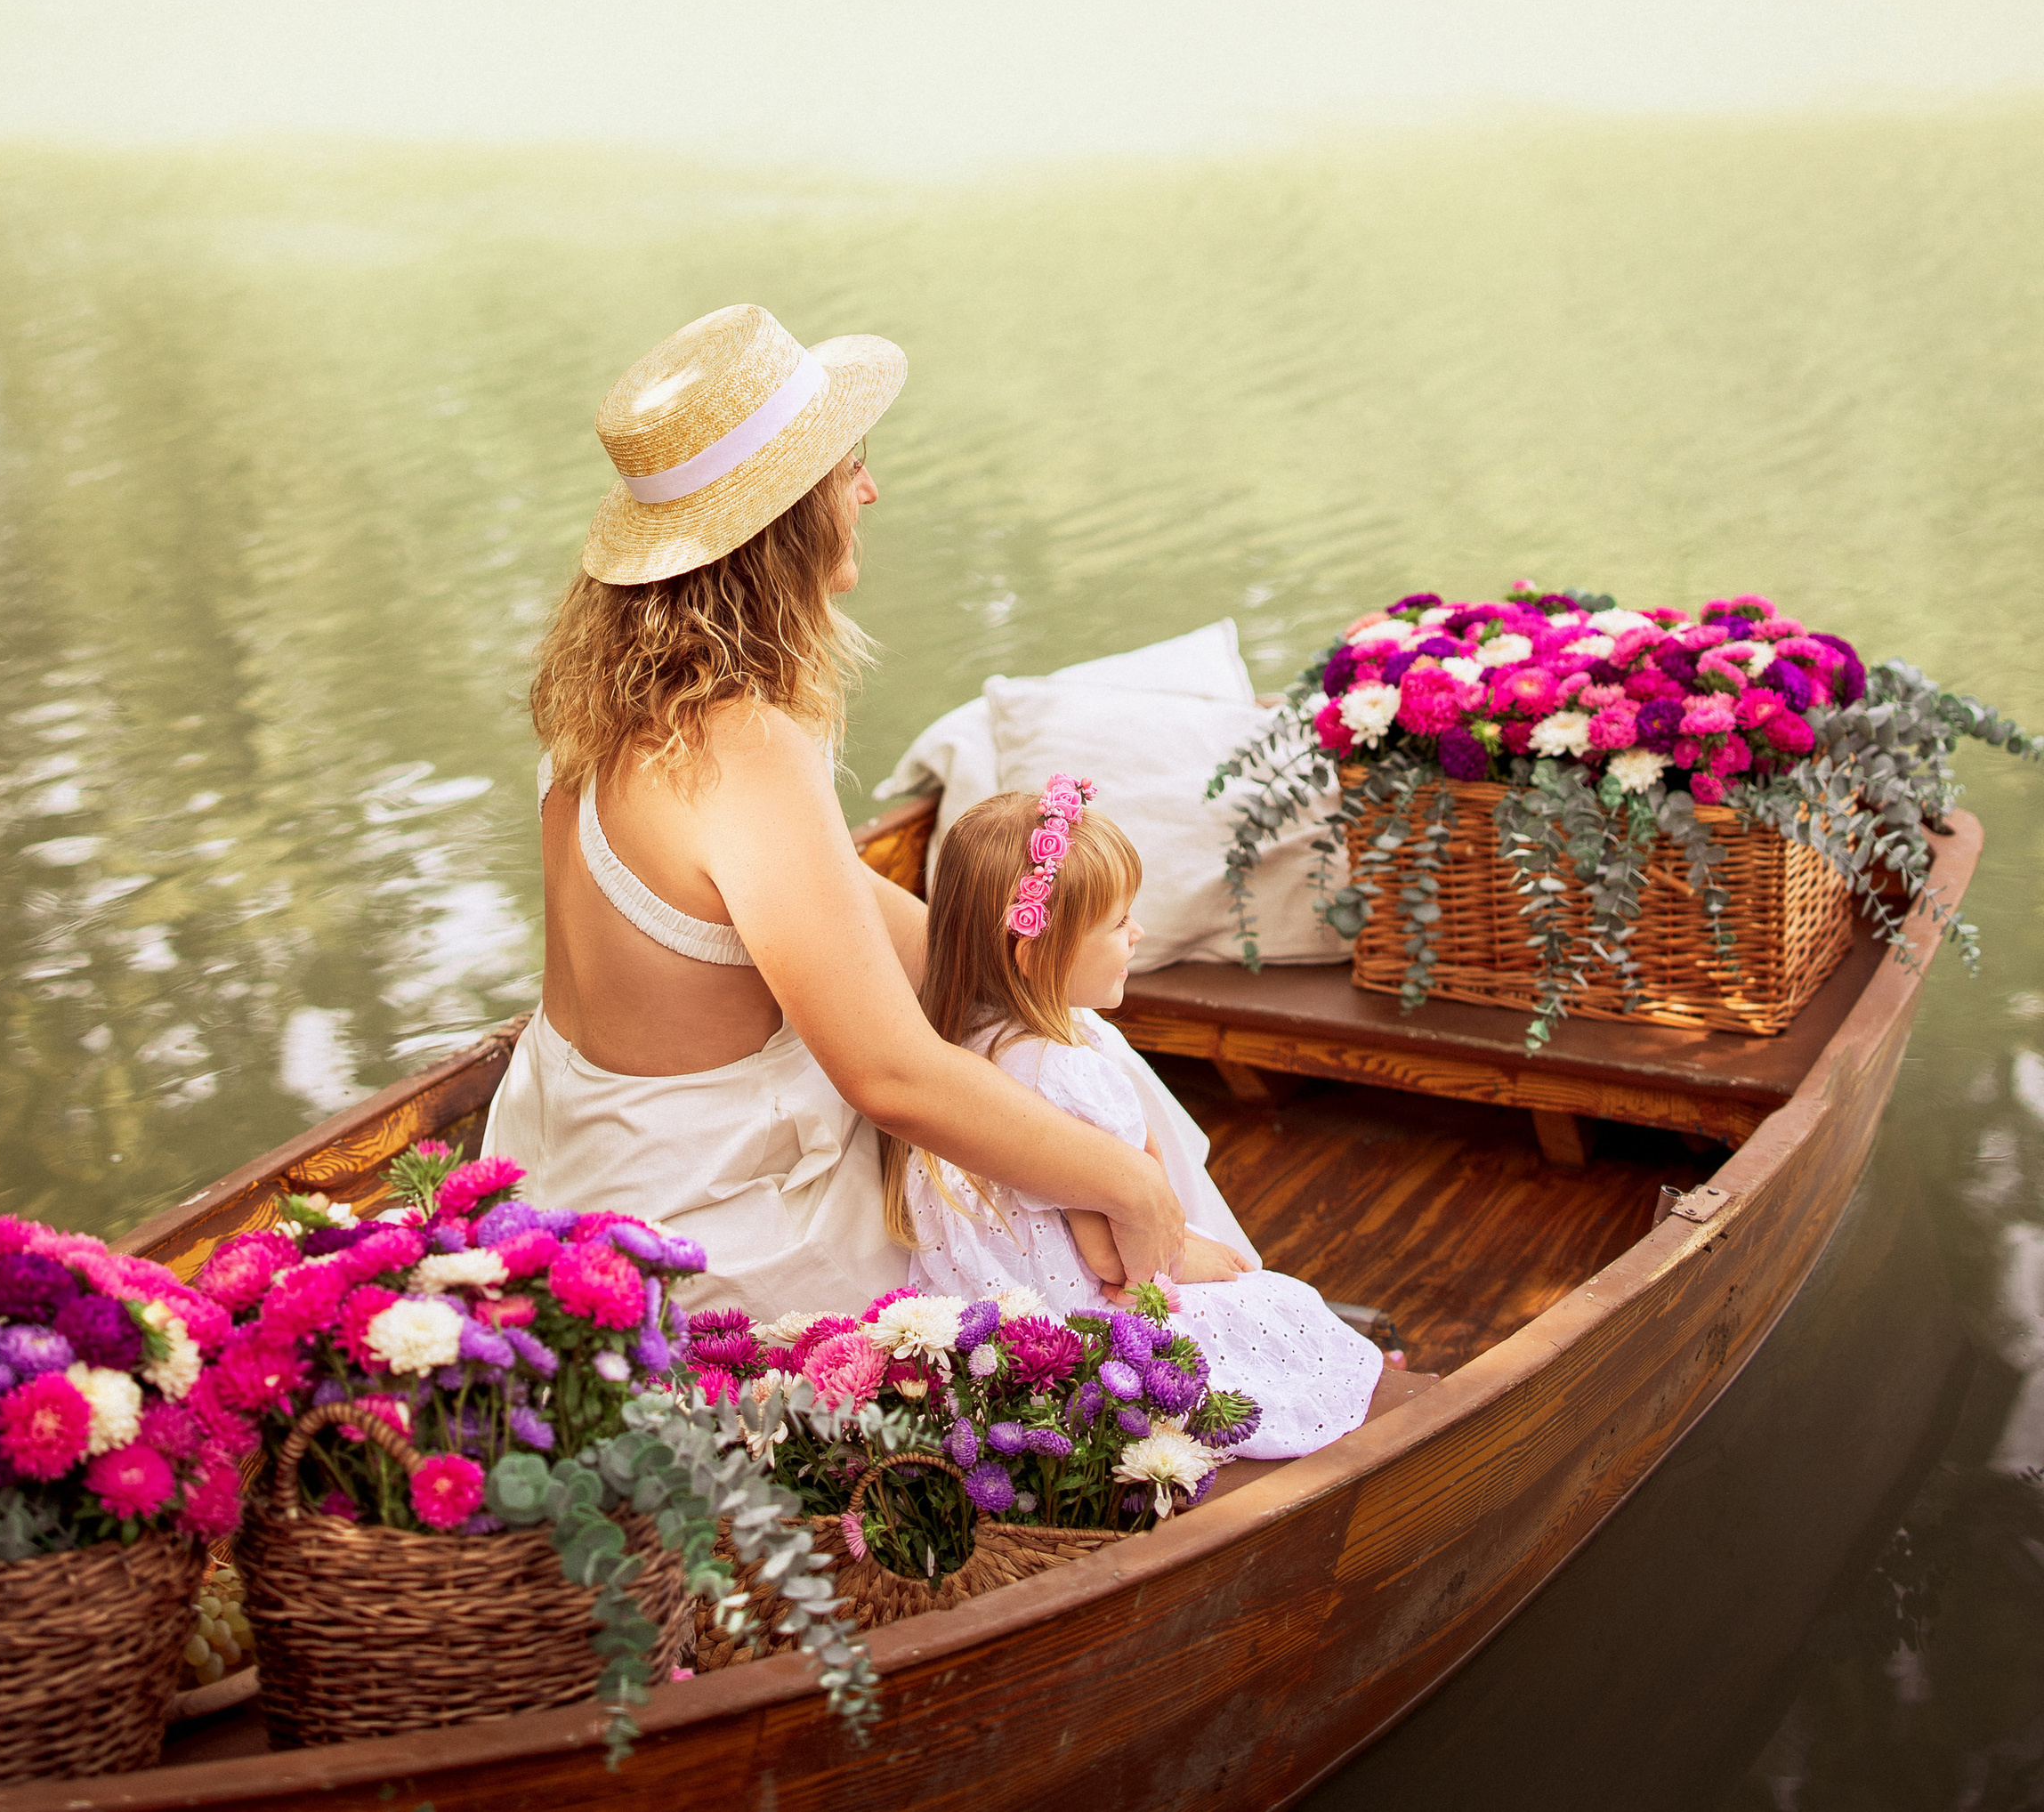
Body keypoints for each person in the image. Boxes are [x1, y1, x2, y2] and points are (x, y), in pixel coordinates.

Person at [481, 303, 1192, 1321]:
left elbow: (840, 907)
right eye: (846, 466)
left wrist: (1015, 968)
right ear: (786, 519)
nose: (868, 488)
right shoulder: (739, 745)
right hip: (704, 1226)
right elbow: (889, 1076)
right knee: (1063, 1124)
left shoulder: (617, 713)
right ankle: (1199, 1306)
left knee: (1059, 1036)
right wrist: (1130, 1186)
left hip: (579, 1167)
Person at [885, 784, 1439, 1444]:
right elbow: (1108, 1257)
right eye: (1119, 923)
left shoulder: (955, 1053)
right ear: (1035, 954)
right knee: (1277, 1302)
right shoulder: (1066, 1074)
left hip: (989, 1315)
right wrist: (1194, 1261)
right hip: (1077, 1315)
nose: (1137, 933)